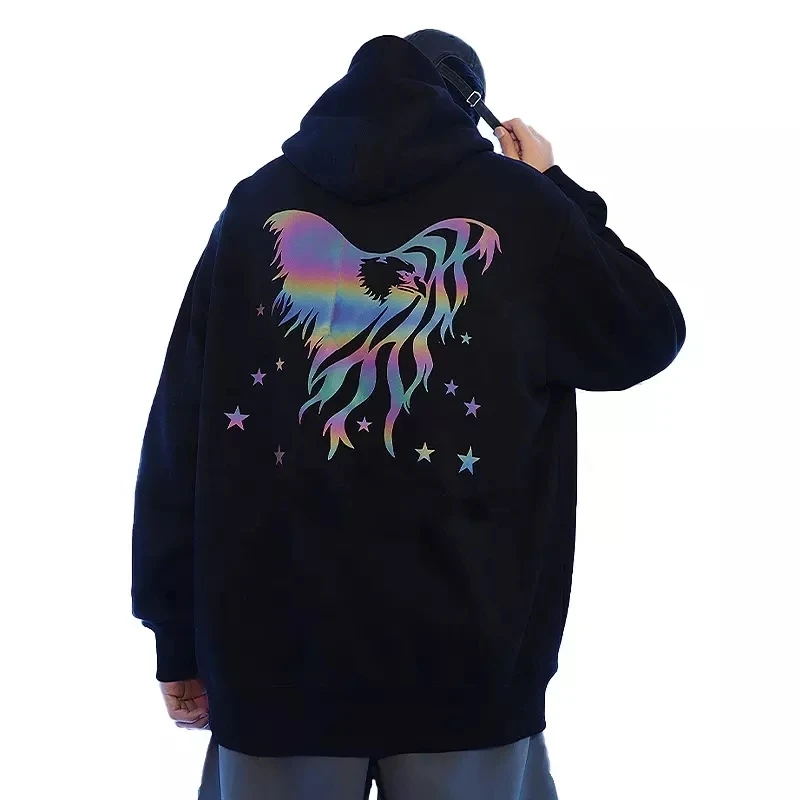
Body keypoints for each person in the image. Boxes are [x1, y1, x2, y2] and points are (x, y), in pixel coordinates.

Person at [131, 29, 686, 800]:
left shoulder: (256, 206)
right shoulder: (522, 210)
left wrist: (174, 636)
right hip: (470, 674)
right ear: (473, 107)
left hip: (273, 673)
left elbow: (178, 434)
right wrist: (554, 184)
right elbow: (645, 334)